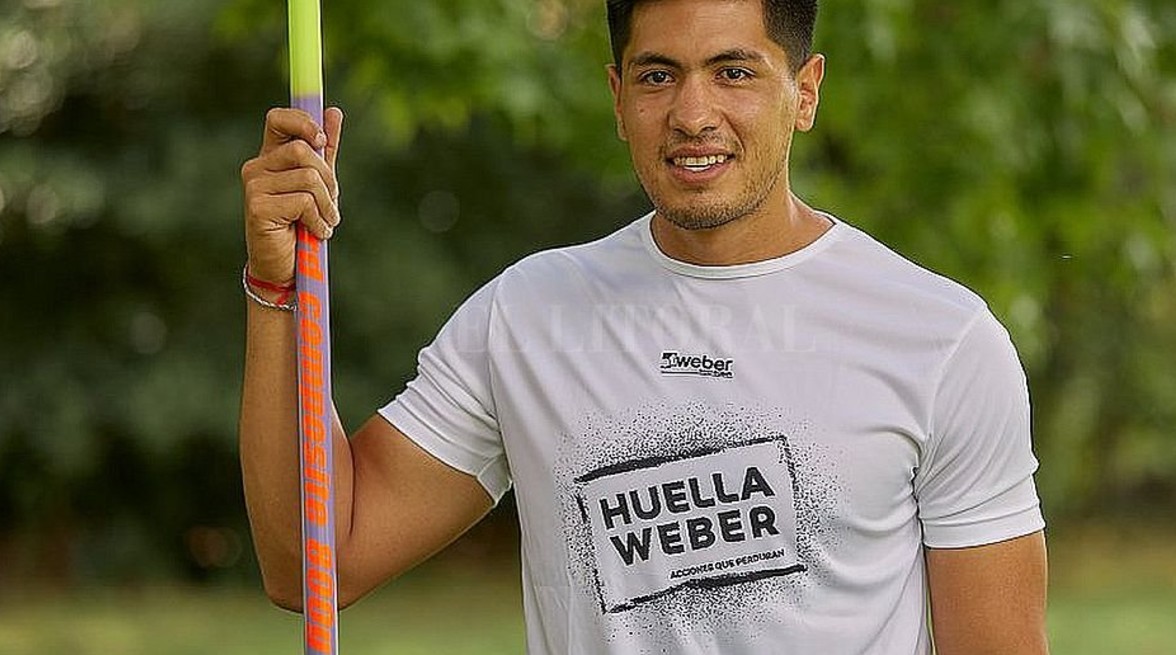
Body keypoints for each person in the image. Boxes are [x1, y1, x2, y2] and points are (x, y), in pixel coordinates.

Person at [239, 0, 1050, 652]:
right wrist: (277, 288)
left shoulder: (940, 341)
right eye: (658, 75)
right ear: (618, 99)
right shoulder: (528, 317)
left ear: (805, 92)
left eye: (734, 71)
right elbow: (316, 558)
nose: (693, 114)